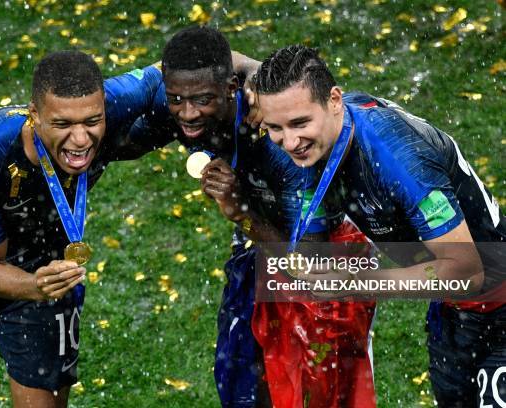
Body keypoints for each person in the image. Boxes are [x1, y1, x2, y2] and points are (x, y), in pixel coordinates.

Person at [0, 50, 168, 407]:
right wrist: (33, 286)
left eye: (92, 121)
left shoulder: (117, 98)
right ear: (34, 116)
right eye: (63, 125)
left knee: (46, 395)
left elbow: (191, 64)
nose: (80, 140)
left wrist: (256, 77)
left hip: (43, 255)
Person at [131, 26, 376, 407]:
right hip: (260, 248)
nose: (188, 113)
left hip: (328, 258)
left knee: (322, 392)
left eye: (201, 100)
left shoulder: (285, 144)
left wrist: (240, 211)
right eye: (176, 99)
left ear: (231, 88)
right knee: (241, 378)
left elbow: (309, 264)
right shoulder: (198, 101)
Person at [254, 45, 506, 406]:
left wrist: (357, 282)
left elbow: (468, 273)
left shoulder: (398, 159)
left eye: (299, 124)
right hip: (452, 312)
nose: (290, 142)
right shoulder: (318, 139)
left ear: (335, 100)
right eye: (274, 128)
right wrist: (241, 213)